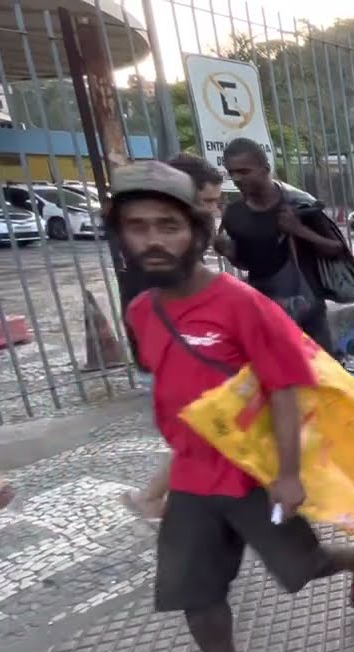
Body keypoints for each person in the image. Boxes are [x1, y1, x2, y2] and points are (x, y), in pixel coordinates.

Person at [111, 161, 354, 652]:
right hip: (193, 481)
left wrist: (287, 474)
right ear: (120, 234)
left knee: (301, 568)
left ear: (196, 231)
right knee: (196, 591)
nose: (154, 240)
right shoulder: (142, 312)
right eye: (138, 227)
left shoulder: (241, 304)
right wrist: (159, 483)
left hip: (254, 474)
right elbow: (185, 405)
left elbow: (284, 387)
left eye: (168, 225)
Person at [121, 153, 224, 522]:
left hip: (186, 354)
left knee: (198, 432)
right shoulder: (160, 250)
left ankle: (153, 498)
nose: (215, 211)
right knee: (198, 432)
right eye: (209, 201)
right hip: (181, 356)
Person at [217, 138, 346, 354]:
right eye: (232, 173)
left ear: (265, 169)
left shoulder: (299, 204)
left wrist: (299, 230)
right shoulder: (234, 214)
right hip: (265, 312)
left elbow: (337, 249)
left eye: (244, 171)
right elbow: (249, 263)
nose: (237, 179)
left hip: (308, 311)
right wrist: (229, 252)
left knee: (321, 379)